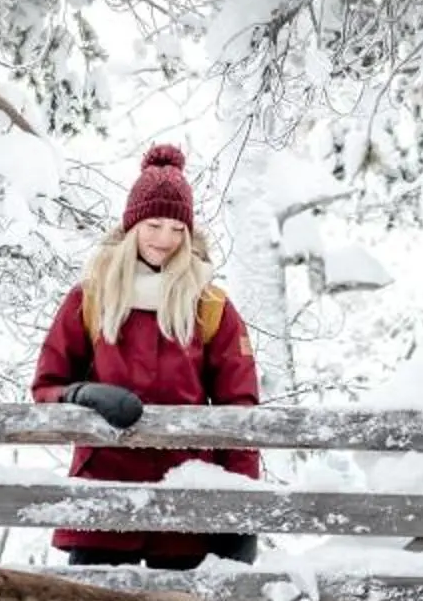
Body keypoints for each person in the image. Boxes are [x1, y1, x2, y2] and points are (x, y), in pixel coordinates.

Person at [29, 143, 262, 570]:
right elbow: (46, 386)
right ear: (133, 225)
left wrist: (240, 510)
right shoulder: (91, 298)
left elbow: (239, 409)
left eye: (178, 230)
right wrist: (81, 394)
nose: (165, 240)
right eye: (154, 225)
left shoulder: (209, 306)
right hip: (103, 497)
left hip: (185, 503)